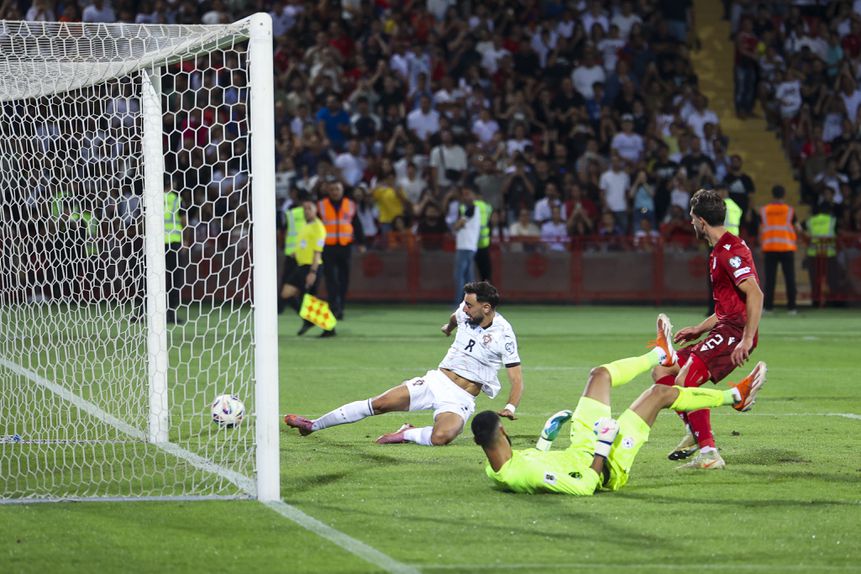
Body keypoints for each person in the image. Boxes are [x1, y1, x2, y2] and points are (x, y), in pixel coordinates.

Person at [472, 328, 767, 495]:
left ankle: (660, 354)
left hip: (582, 444)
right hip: (609, 463)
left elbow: (534, 461)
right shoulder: (528, 473)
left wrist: (545, 440)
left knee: (599, 374)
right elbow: (586, 486)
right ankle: (735, 396)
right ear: (503, 430)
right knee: (659, 394)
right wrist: (603, 444)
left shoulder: (495, 466)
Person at [284, 281, 524, 446]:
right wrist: (448, 327)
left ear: (486, 307)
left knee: (442, 437)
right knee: (379, 404)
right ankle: (312, 425)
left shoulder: (504, 334)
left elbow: (516, 379)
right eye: (464, 304)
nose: (464, 308)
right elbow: (455, 316)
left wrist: (510, 407)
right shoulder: (465, 312)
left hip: (461, 398)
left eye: (469, 305)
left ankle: (406, 433)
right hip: (436, 381)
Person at [653, 188, 763, 469]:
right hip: (723, 328)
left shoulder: (730, 251)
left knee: (686, 383)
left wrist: (746, 340)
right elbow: (727, 306)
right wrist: (699, 328)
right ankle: (695, 428)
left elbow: (755, 294)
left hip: (734, 333)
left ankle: (709, 453)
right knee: (663, 370)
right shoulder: (719, 251)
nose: (691, 223)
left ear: (701, 221)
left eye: (692, 218)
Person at [279, 196, 328, 337]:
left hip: (311, 267)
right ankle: (308, 320)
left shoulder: (318, 227)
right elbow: (306, 245)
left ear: (316, 210)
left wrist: (313, 272)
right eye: (304, 208)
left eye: (309, 208)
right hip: (301, 266)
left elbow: (318, 252)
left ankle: (329, 327)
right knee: (287, 294)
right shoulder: (307, 225)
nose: (306, 211)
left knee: (310, 300)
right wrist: (296, 253)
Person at [318, 180, 364, 321]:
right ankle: (334, 308)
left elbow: (356, 224)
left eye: (337, 189)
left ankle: (341, 307)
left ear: (342, 190)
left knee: (344, 279)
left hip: (345, 246)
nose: (335, 192)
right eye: (332, 189)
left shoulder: (350, 205)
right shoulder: (321, 205)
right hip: (328, 247)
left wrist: (361, 242)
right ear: (328, 191)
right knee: (331, 280)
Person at [759, 185, 799, 314]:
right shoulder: (790, 211)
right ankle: (792, 307)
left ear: (772, 194)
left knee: (770, 279)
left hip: (769, 248)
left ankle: (768, 307)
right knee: (790, 279)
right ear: (784, 194)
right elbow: (798, 228)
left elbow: (761, 229)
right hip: (787, 248)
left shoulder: (764, 210)